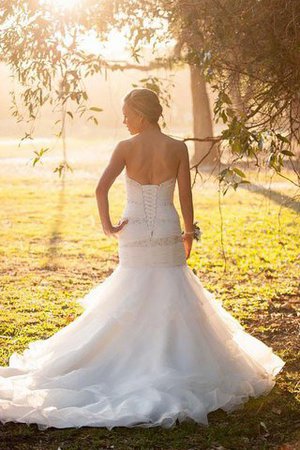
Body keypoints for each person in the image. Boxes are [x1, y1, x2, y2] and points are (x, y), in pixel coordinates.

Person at [0, 88, 285, 431]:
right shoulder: (177, 147)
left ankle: (131, 357)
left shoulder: (125, 148)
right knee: (171, 291)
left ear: (141, 112)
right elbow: (185, 194)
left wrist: (108, 226)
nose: (123, 120)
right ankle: (170, 359)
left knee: (132, 289)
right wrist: (189, 234)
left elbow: (100, 188)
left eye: (126, 113)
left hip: (132, 231)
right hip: (167, 226)